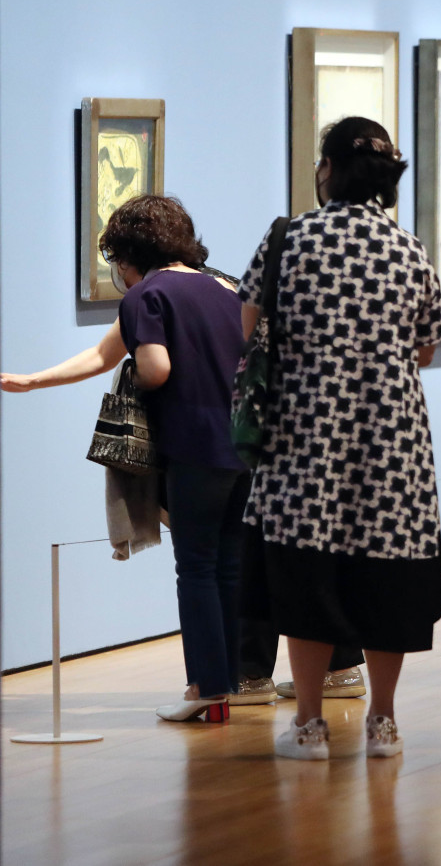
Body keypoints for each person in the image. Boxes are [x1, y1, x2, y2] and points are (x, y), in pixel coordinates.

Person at [238, 116, 441, 760]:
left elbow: (249, 326)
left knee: (306, 576)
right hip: (393, 439)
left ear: (328, 168)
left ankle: (308, 724)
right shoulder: (410, 250)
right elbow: (426, 350)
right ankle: (382, 721)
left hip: (304, 438)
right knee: (389, 582)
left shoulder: (288, 240)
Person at [1, 195, 248, 723]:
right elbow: (102, 354)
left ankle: (207, 687)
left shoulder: (146, 297)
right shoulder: (224, 288)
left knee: (196, 569)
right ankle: (229, 682)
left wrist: (142, 368)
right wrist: (34, 380)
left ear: (127, 253)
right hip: (244, 448)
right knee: (228, 566)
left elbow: (153, 369)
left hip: (193, 448)